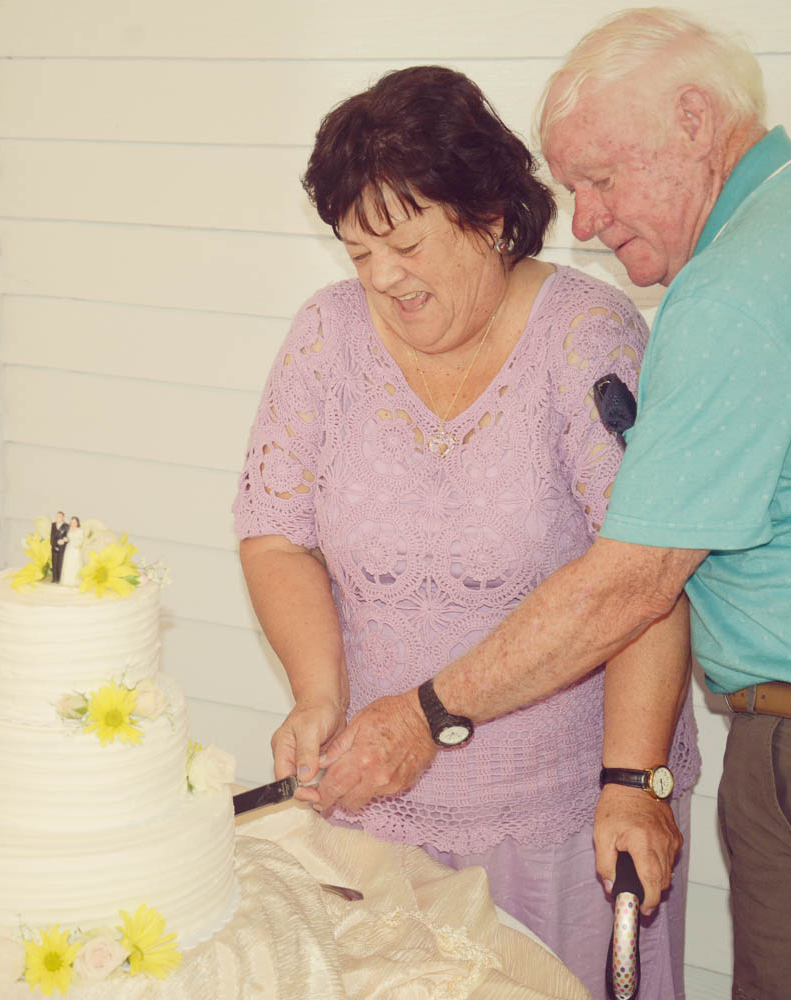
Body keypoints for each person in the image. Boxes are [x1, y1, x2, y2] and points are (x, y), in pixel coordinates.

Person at [312, 10, 791, 1000]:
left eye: (599, 179)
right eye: (575, 189)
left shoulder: (743, 283)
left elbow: (630, 584)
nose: (581, 221)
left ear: (697, 121)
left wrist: (426, 714)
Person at [233, 64, 698, 992]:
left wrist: (631, 781)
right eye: (357, 255)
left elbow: (646, 583)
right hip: (375, 809)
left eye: (403, 244)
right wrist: (317, 693)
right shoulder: (326, 338)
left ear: (488, 216)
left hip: (563, 822)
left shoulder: (587, 338)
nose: (381, 279)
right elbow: (276, 532)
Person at [58, 515, 85, 587]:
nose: (73, 523)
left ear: (77, 523)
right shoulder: (69, 529)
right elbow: (66, 538)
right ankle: (67, 580)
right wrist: (65, 540)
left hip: (76, 549)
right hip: (69, 548)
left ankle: (75, 581)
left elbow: (81, 539)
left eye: (74, 522)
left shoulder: (80, 530)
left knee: (75, 564)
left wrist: (78, 545)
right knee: (68, 563)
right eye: (72, 522)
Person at [49, 511, 69, 584]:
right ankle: (54, 578)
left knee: (60, 563)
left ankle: (59, 578)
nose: (58, 518)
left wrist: (64, 541)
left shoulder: (66, 526)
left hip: (62, 548)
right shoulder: (53, 525)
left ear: (63, 517)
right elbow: (51, 537)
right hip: (54, 547)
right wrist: (54, 544)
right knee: (54, 563)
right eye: (57, 516)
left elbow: (68, 537)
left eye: (60, 516)